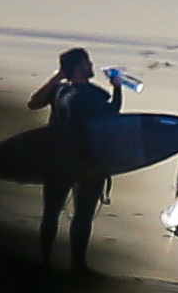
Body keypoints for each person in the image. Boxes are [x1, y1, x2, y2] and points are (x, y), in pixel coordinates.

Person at [24, 45, 116, 270]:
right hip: (80, 161)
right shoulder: (80, 94)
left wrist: (59, 77)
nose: (91, 65)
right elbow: (34, 103)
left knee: (64, 214)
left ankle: (58, 262)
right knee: (65, 214)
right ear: (78, 67)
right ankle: (68, 264)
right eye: (87, 62)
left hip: (65, 159)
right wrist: (59, 76)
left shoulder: (71, 93)